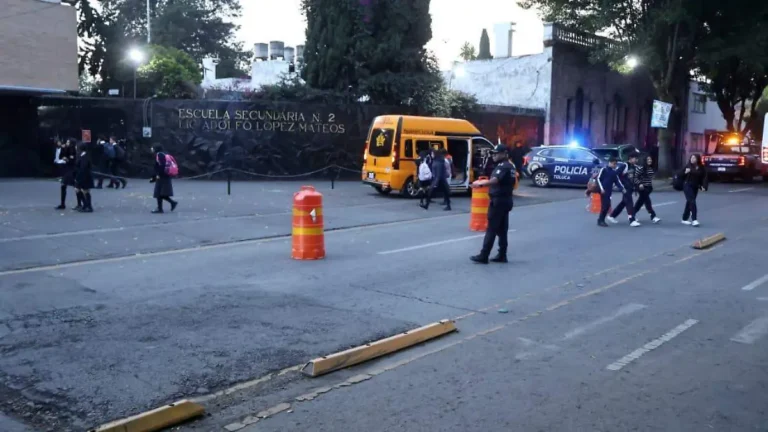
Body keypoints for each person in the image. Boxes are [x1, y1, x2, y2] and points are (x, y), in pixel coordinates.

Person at [470, 144, 516, 264]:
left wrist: (480, 184)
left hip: (499, 201)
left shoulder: (504, 166)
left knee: (491, 229)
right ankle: (502, 254)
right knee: (502, 229)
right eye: (493, 153)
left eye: (496, 153)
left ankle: (484, 255)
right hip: (505, 200)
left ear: (504, 153)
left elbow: (496, 180)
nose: (494, 156)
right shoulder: (510, 166)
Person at [607, 153, 641, 227]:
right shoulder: (625, 165)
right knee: (629, 202)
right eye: (635, 158)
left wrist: (636, 187)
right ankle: (631, 219)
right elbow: (616, 175)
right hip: (624, 187)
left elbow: (633, 178)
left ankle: (612, 216)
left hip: (630, 187)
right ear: (630, 158)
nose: (636, 160)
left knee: (623, 203)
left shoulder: (634, 167)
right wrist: (620, 185)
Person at [679, 154, 708, 226]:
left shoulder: (701, 167)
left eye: (694, 158)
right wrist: (685, 172)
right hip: (687, 185)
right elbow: (680, 174)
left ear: (697, 159)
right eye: (691, 158)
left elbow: (704, 177)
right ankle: (694, 219)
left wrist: (704, 186)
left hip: (695, 186)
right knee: (692, 201)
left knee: (689, 202)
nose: (692, 159)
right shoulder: (688, 166)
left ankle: (684, 219)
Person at [596, 156, 625, 227]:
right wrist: (601, 188)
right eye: (614, 164)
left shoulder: (613, 172)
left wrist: (622, 188)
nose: (615, 166)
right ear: (610, 163)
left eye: (616, 164)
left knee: (607, 205)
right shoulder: (604, 170)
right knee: (605, 205)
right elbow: (598, 179)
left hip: (609, 191)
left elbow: (617, 181)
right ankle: (601, 220)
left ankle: (600, 219)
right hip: (603, 190)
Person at [151, 144, 178, 214]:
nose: (151, 149)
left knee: (158, 193)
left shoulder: (159, 155)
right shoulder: (165, 153)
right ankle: (171, 203)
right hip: (165, 176)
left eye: (152, 148)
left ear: (156, 149)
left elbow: (161, 166)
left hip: (162, 176)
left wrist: (158, 175)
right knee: (161, 193)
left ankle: (161, 208)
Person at [633, 155, 661, 223]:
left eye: (650, 159)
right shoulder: (641, 168)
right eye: (648, 160)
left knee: (641, 202)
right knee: (647, 202)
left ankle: (632, 215)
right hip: (642, 188)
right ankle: (653, 216)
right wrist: (640, 183)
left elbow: (649, 178)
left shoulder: (650, 168)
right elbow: (635, 178)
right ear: (645, 160)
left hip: (648, 187)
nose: (650, 161)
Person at [54, 138, 77, 210]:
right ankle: (62, 204)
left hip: (72, 170)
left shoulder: (74, 150)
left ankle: (80, 203)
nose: (66, 143)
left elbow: (74, 161)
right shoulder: (66, 149)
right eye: (66, 142)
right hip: (67, 170)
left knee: (76, 187)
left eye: (68, 142)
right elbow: (61, 156)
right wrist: (63, 150)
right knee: (63, 186)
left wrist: (68, 159)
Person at [74, 142, 95, 213]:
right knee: (78, 189)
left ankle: (89, 207)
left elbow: (83, 168)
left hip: (85, 177)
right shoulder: (81, 155)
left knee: (85, 191)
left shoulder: (85, 156)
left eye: (76, 147)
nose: (75, 148)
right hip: (81, 176)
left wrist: (78, 178)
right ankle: (85, 205)